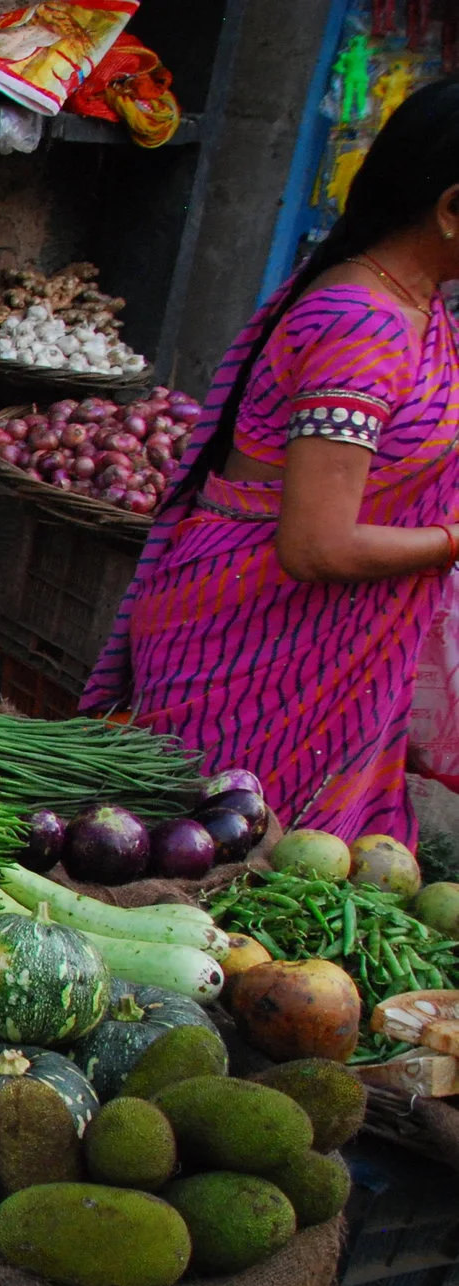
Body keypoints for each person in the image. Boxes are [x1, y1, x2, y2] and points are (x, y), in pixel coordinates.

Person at [84, 77, 459, 844]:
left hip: (324, 652)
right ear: (452, 209)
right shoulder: (365, 326)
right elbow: (316, 545)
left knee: (290, 883)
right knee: (217, 866)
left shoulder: (418, 311)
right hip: (256, 651)